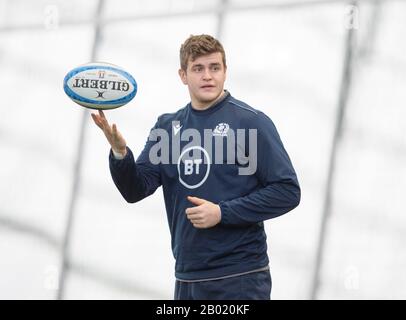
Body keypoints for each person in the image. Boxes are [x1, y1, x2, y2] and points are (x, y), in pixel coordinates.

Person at [91, 34, 300, 300]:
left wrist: (222, 213)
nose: (208, 76)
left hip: (240, 277)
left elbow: (287, 191)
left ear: (225, 71)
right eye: (198, 68)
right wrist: (120, 152)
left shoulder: (251, 122)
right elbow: (135, 189)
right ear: (183, 75)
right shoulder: (167, 128)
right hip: (187, 278)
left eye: (215, 67)